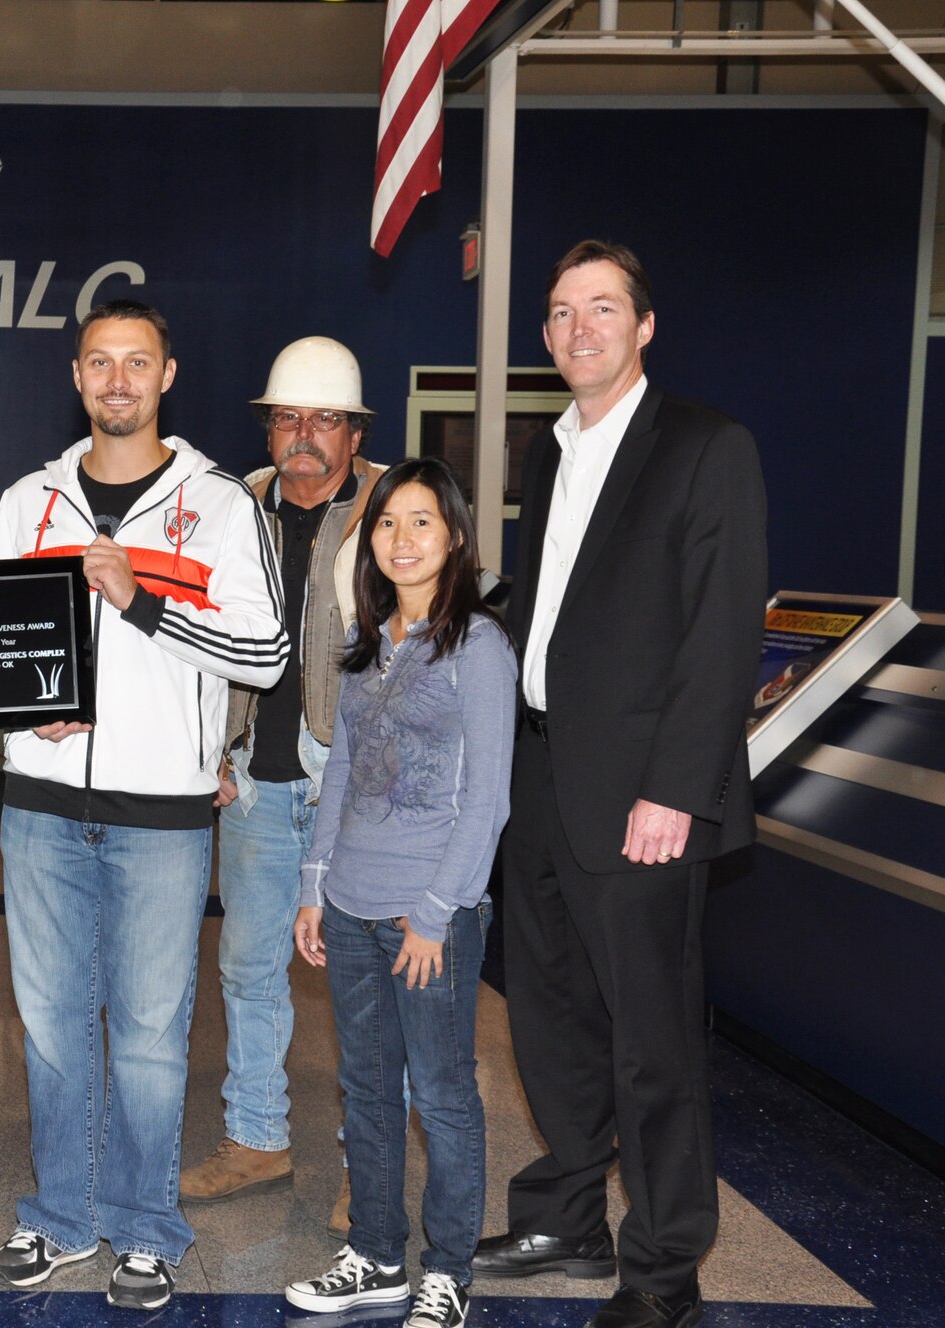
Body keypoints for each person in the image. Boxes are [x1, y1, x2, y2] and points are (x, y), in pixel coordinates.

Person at [470, 241, 767, 1328]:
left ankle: (661, 1265)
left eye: (601, 308)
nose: (577, 327)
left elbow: (721, 631)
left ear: (644, 325)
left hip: (644, 795)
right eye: (558, 311)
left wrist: (676, 790)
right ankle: (563, 1214)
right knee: (548, 1020)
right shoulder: (550, 452)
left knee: (650, 1039)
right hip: (542, 775)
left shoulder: (703, 446)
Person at [0, 300, 286, 1311]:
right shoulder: (26, 500)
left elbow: (265, 652)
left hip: (161, 809)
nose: (117, 380)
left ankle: (145, 1228)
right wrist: (29, 708)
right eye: (100, 363)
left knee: (152, 1031)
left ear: (166, 375)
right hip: (38, 802)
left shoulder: (220, 503)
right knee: (51, 1024)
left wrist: (142, 603)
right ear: (77, 375)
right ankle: (60, 1217)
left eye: (136, 363)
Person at [283, 457, 515, 1328]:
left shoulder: (479, 646)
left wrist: (435, 913)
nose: (402, 539)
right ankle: (375, 1255)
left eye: (422, 522)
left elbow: (488, 799)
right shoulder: (367, 644)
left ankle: (447, 1269)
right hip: (349, 908)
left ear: (454, 535)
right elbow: (340, 771)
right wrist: (315, 885)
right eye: (387, 523)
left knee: (444, 1095)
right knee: (368, 1089)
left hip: (431, 917)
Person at [185, 336, 386, 1210]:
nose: (305, 433)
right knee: (249, 968)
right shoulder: (230, 508)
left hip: (358, 791)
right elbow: (191, 638)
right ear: (269, 429)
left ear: (353, 433)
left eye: (326, 419)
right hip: (256, 788)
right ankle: (257, 1139)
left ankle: (365, 1169)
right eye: (289, 418)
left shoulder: (397, 508)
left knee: (366, 983)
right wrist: (209, 755)